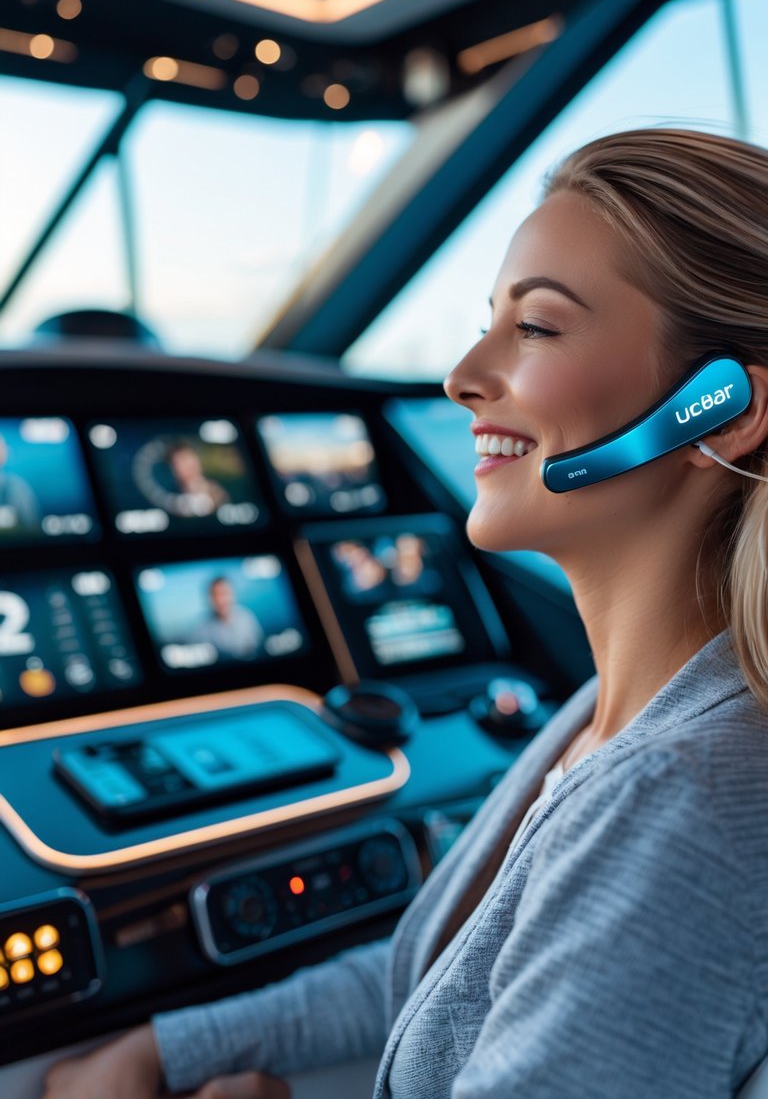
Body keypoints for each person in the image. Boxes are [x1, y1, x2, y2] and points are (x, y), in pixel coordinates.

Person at [44, 129, 768, 1099]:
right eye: (488, 321)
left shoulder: (678, 796)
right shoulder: (619, 709)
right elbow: (445, 973)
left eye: (539, 328)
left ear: (718, 410)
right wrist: (172, 1046)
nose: (463, 375)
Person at [190, 577, 264, 659]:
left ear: (232, 594)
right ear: (210, 598)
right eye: (215, 595)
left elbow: (258, 645)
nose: (220, 600)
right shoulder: (201, 630)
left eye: (224, 593)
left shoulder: (246, 616)